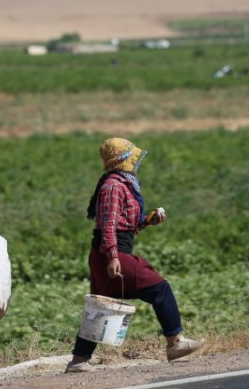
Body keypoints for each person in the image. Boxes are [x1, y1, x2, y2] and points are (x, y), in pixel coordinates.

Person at [65, 138, 204, 373]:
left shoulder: (122, 183)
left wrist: (148, 222)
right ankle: (175, 342)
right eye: (131, 156)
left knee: (101, 306)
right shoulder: (113, 186)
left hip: (107, 251)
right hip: (112, 251)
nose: (135, 161)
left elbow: (123, 224)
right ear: (122, 159)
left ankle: (79, 360)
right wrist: (113, 256)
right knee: (160, 289)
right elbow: (108, 223)